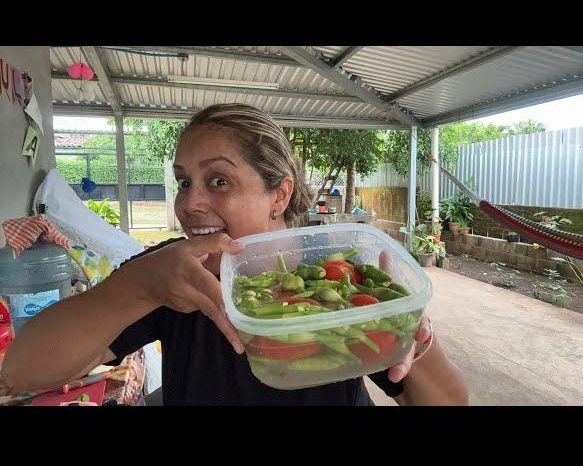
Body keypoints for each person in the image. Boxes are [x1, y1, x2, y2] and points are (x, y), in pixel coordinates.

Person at [0, 104, 468, 406]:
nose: (189, 203)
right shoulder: (172, 274)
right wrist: (138, 285)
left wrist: (412, 337)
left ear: (279, 195)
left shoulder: (340, 272)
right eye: (184, 182)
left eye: (218, 181)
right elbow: (24, 372)